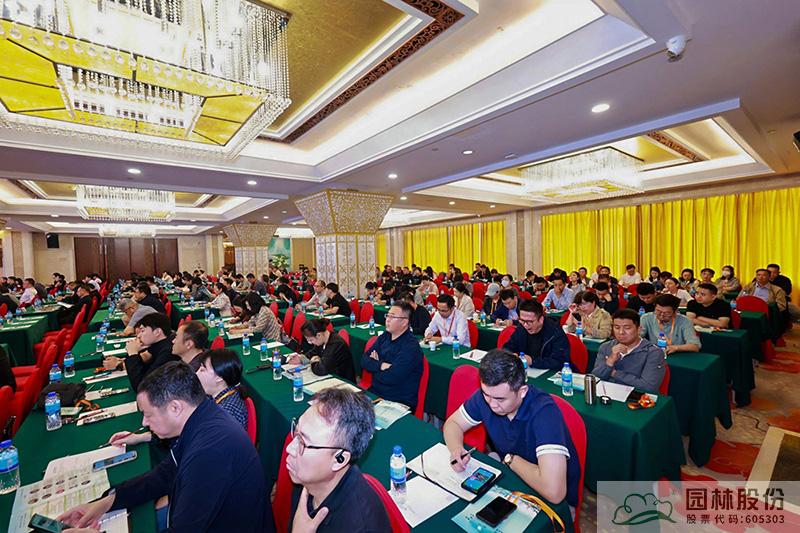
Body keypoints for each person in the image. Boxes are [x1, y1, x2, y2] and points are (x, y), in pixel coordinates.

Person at [60, 362, 271, 533]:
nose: (144, 422)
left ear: (175, 407)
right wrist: (108, 502)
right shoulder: (201, 417)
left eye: (148, 414)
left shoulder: (210, 451)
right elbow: (165, 474)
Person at [443, 349, 579, 506]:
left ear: (522, 391)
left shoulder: (544, 412)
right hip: (515, 478)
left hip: (554, 503)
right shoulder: (488, 395)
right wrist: (456, 448)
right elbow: (453, 424)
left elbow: (554, 492)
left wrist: (510, 459)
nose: (492, 404)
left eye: (500, 399)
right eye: (486, 395)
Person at [286, 388, 390, 532]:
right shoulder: (307, 478)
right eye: (296, 433)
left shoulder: (359, 527)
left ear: (339, 459)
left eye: (303, 442)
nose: (290, 448)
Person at [361, 302, 423, 410]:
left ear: (404, 322)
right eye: (387, 315)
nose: (387, 320)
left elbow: (392, 377)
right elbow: (364, 360)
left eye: (392, 317)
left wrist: (374, 366)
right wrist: (381, 365)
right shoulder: (385, 336)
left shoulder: (410, 346)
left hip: (398, 401)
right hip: (376, 393)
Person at [591, 309, 666, 393]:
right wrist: (610, 361)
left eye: (627, 328)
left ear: (639, 329)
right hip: (606, 394)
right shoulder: (606, 347)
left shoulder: (653, 353)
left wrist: (615, 373)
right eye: (617, 327)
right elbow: (595, 378)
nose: (621, 332)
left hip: (636, 397)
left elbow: (648, 386)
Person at [105, 313, 178, 391]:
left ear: (157, 332)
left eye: (142, 331)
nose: (139, 335)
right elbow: (142, 365)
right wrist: (132, 354)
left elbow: (141, 387)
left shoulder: (168, 352)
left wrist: (133, 353)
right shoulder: (158, 345)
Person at [502, 298, 569, 369]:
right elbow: (507, 347)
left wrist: (532, 361)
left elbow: (559, 362)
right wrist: (511, 355)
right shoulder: (521, 327)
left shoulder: (555, 333)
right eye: (522, 320)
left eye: (529, 321)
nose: (525, 325)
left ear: (541, 319)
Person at [195, 349, 248, 430]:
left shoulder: (226, 413)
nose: (196, 373)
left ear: (219, 377)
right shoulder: (217, 395)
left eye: (202, 370)